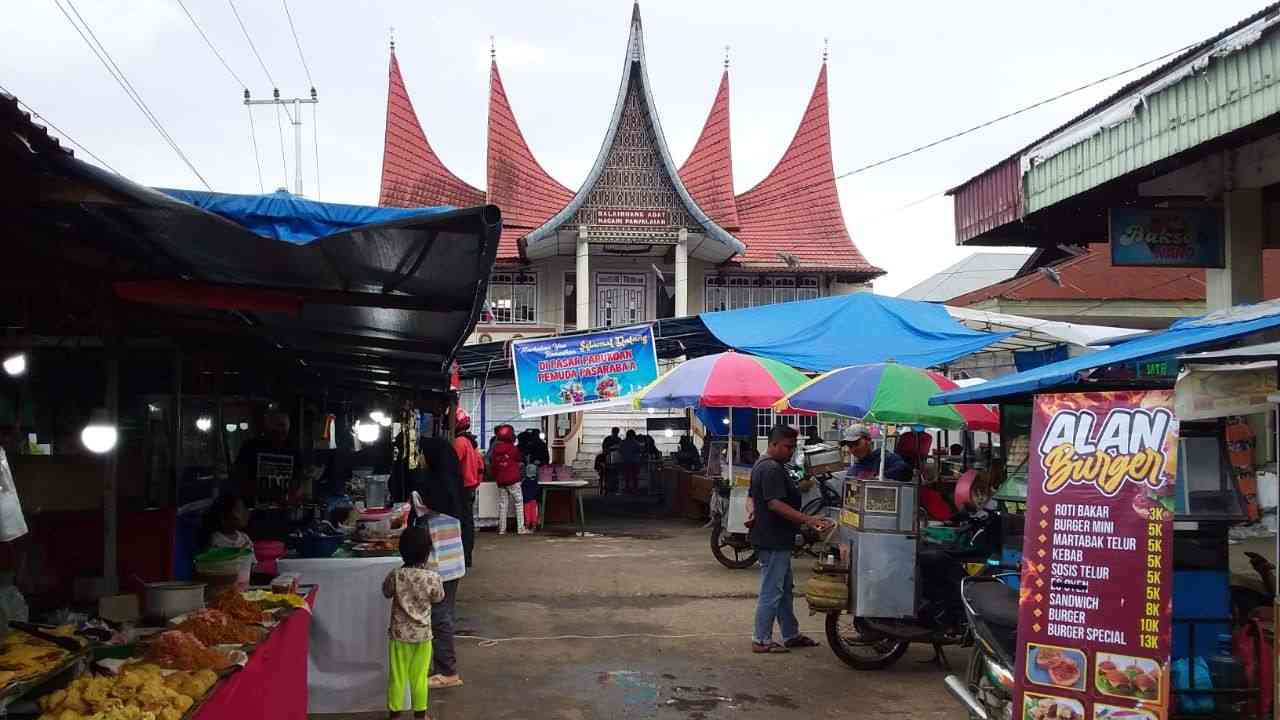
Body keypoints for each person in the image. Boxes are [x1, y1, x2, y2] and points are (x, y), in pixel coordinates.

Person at [749, 425, 832, 654]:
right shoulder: (770, 469)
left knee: (784, 589)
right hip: (772, 538)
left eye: (793, 447)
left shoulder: (768, 465)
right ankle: (761, 639)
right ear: (773, 444)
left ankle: (790, 634)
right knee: (772, 590)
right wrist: (807, 519)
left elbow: (753, 497)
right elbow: (774, 503)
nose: (790, 451)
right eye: (787, 446)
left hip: (776, 537)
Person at [382, 525, 446, 719]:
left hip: (399, 636)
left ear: (402, 551)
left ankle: (394, 715)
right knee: (419, 678)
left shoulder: (396, 575)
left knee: (398, 676)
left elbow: (386, 592)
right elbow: (439, 598)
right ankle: (420, 715)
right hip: (423, 636)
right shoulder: (433, 577)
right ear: (427, 552)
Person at [233, 408, 302, 507]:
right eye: (278, 426)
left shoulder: (293, 450)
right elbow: (240, 475)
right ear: (268, 427)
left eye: (284, 427)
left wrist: (293, 495)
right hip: (255, 508)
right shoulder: (251, 447)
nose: (281, 431)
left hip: (281, 508)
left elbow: (297, 479)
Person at [452, 410, 481, 568]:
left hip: (462, 488)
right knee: (468, 524)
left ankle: (463, 557)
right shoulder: (470, 443)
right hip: (470, 487)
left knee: (462, 524)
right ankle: (467, 556)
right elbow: (480, 466)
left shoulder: (460, 443)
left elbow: (452, 464)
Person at [489, 425, 526, 534]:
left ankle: (502, 529)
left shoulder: (495, 449)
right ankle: (520, 528)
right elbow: (519, 459)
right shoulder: (513, 449)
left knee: (503, 504)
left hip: (500, 480)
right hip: (513, 479)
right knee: (518, 503)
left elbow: (493, 465)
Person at [842, 424, 911, 482]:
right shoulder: (853, 471)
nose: (854, 449)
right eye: (850, 446)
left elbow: (905, 471)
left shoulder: (885, 457)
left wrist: (879, 476)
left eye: (856, 443)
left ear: (869, 440)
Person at [618, 429, 643, 494]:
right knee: (634, 476)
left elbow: (620, 451)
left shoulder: (623, 442)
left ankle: (627, 488)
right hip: (634, 461)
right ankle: (635, 489)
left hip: (625, 461)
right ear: (633, 435)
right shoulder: (635, 443)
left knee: (627, 476)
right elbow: (640, 450)